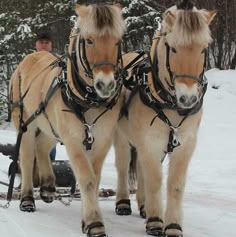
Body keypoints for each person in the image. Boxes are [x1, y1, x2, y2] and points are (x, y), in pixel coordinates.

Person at [35, 32, 56, 161]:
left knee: (49, 139)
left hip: (51, 109)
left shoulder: (57, 62)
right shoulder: (29, 62)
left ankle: (50, 165)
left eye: (46, 42)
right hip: (31, 107)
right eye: (41, 42)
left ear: (51, 45)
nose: (44, 44)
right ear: (36, 44)